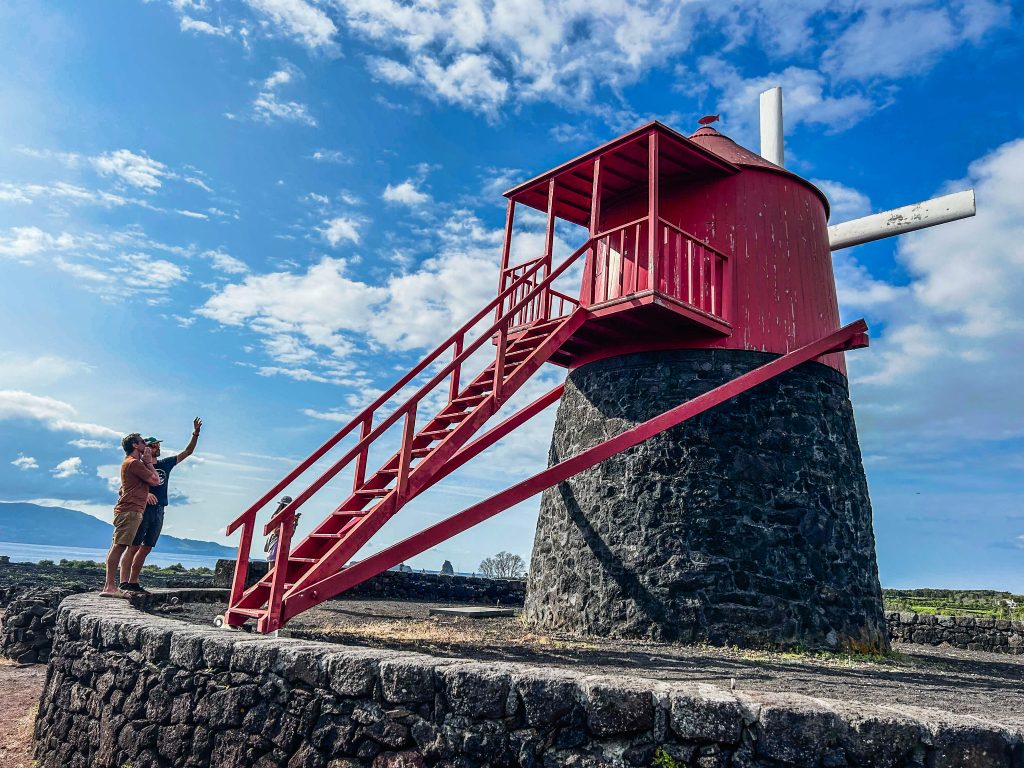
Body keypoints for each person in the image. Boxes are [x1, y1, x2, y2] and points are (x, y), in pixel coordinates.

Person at [120, 417, 202, 593]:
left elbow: (188, 452)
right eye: (155, 445)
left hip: (159, 510)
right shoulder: (138, 465)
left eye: (158, 445)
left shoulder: (166, 464)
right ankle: (123, 582)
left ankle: (133, 582)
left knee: (147, 547)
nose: (158, 447)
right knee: (133, 546)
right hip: (142, 509)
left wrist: (195, 433)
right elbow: (124, 488)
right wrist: (146, 493)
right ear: (146, 448)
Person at [101, 433, 161, 597]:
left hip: (130, 510)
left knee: (118, 546)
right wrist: (148, 463)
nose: (145, 444)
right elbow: (156, 480)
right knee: (119, 546)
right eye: (142, 442)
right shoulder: (134, 463)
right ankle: (109, 587)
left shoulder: (131, 463)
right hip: (130, 510)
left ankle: (110, 586)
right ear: (135, 445)